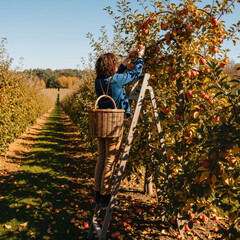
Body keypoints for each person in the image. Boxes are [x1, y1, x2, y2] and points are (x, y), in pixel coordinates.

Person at [94, 46, 145, 207]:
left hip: (102, 122)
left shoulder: (98, 80)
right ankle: (105, 195)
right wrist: (140, 58)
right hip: (114, 123)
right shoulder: (116, 80)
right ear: (111, 66)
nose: (117, 66)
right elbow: (134, 74)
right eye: (115, 64)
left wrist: (125, 61)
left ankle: (97, 192)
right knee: (111, 159)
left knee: (101, 157)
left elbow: (115, 75)